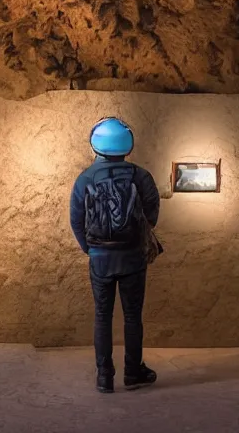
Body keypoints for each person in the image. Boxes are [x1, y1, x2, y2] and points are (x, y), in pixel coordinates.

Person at [69, 117, 162, 393]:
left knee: (102, 316)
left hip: (100, 259)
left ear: (95, 144)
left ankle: (104, 378)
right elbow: (152, 214)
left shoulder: (85, 178)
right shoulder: (141, 176)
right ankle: (133, 373)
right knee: (133, 317)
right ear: (127, 145)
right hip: (133, 257)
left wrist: (91, 249)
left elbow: (76, 220)